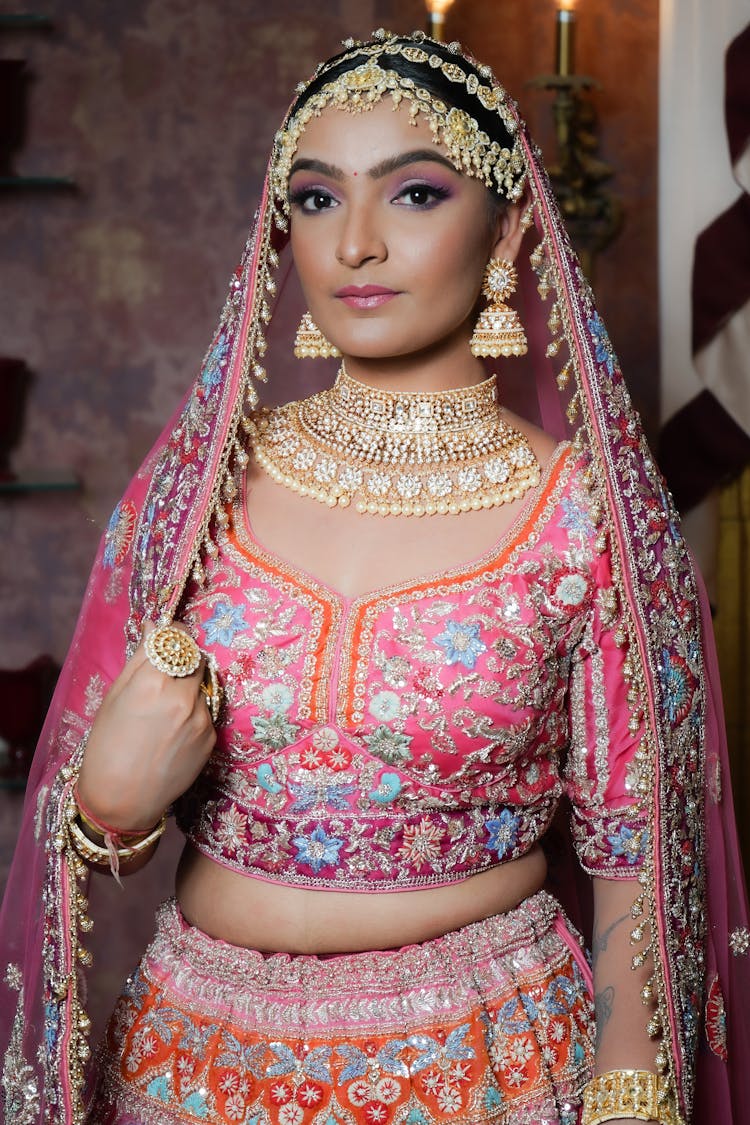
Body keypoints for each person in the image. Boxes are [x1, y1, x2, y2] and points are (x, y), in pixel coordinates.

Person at [1, 29, 748, 1125]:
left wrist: (629, 1085)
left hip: (484, 1065)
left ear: (504, 234)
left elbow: (641, 836)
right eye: (315, 199)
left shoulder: (587, 513)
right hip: (184, 1060)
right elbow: (92, 804)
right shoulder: (202, 481)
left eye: (413, 194)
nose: (354, 243)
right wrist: (109, 801)